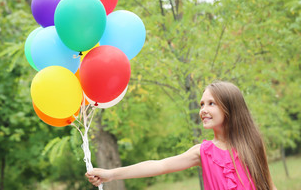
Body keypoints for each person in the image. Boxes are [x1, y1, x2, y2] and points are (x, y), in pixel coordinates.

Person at [85, 81, 277, 190]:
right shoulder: (204, 152)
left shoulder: (251, 144)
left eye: (211, 103)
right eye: (202, 104)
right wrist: (110, 174)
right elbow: (160, 165)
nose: (203, 109)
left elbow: (268, 185)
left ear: (230, 107)